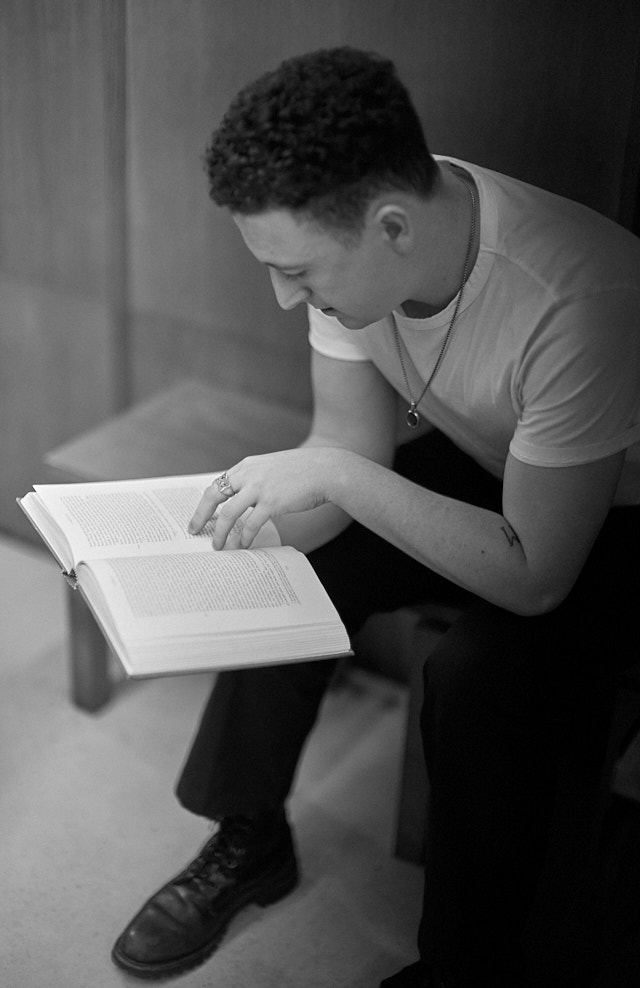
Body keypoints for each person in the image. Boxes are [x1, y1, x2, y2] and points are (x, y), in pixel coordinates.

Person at [111, 47, 640, 987]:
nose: (283, 295)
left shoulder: (582, 296)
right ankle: (251, 832)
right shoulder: (354, 256)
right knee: (283, 561)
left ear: (390, 226)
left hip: (613, 523)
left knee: (479, 680)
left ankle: (469, 967)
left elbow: (536, 573)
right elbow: (350, 447)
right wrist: (218, 549)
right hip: (497, 465)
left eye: (297, 272)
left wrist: (335, 482)